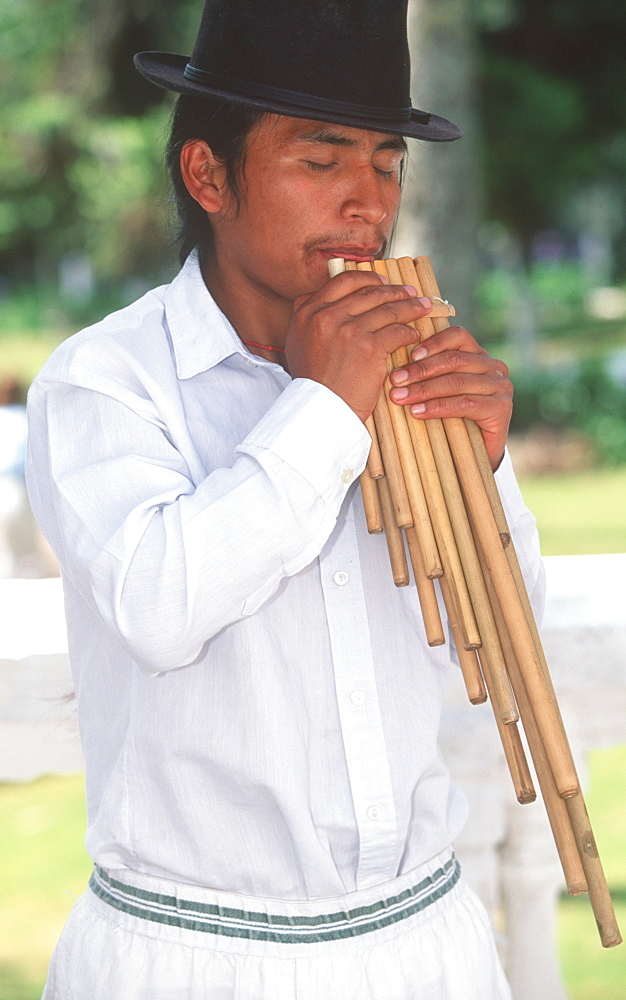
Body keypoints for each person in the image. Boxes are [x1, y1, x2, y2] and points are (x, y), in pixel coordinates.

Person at [26, 1, 544, 997]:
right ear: (207, 174)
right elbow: (158, 604)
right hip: (190, 958)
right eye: (321, 160)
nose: (368, 202)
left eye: (387, 163)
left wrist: (481, 469)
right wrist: (322, 408)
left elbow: (492, 627)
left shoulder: (415, 363)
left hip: (421, 946)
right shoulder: (103, 382)